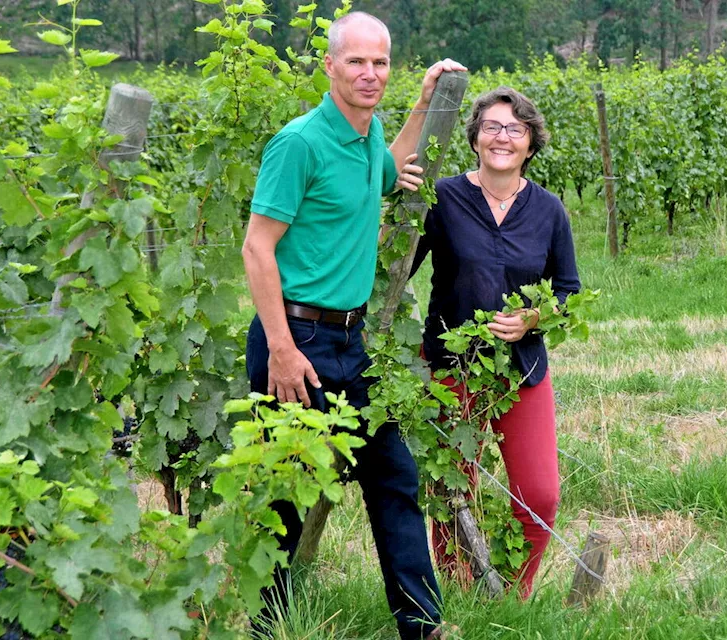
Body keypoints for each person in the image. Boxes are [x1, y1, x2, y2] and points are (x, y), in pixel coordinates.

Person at [240, 11, 463, 640]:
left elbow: (386, 173)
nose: (370, 74)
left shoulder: (367, 138)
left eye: (381, 62)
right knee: (284, 493)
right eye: (357, 61)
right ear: (330, 65)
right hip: (297, 341)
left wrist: (421, 107)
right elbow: (258, 248)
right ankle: (268, 629)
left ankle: (423, 628)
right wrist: (280, 349)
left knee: (394, 476)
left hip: (350, 340)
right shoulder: (300, 143)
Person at [411, 87, 580, 598]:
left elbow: (568, 292)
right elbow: (394, 268)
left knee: (540, 495)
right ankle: (465, 593)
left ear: (531, 142)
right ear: (475, 137)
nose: (502, 137)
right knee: (450, 491)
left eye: (515, 129)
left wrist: (533, 318)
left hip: (522, 369)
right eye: (492, 127)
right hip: (451, 368)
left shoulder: (549, 211)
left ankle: (511, 594)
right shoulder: (442, 199)